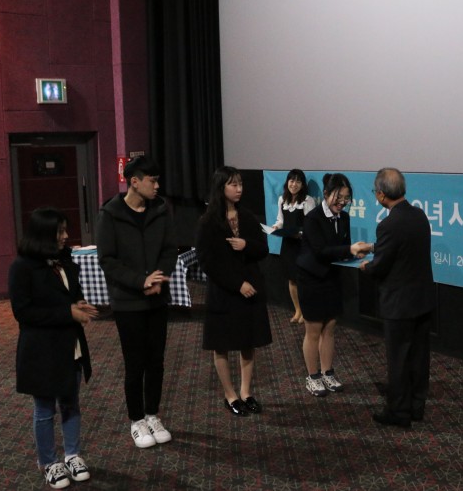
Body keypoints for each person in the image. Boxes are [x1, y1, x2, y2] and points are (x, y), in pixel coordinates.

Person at [8, 207, 98, 489]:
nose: (66, 236)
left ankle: (72, 455)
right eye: (60, 231)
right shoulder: (22, 267)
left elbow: (72, 293)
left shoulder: (65, 260)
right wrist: (68, 312)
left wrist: (79, 303)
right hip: (41, 350)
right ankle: (48, 461)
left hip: (70, 345)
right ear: (43, 234)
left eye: (65, 230)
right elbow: (24, 313)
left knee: (71, 402)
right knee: (45, 408)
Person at [96, 156, 178, 447]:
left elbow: (170, 250)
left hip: (157, 299)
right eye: (152, 181)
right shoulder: (110, 213)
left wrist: (158, 279)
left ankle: (153, 414)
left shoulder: (161, 209)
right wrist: (140, 281)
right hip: (128, 301)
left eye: (157, 181)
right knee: (135, 363)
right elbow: (107, 260)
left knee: (156, 361)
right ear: (134, 181)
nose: (157, 186)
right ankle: (137, 420)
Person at [359, 168, 436, 428]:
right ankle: (416, 406)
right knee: (419, 356)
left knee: (399, 359)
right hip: (422, 299)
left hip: (399, 304)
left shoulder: (388, 224)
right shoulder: (419, 215)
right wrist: (373, 248)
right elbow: (402, 248)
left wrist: (366, 267)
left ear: (381, 194)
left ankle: (399, 412)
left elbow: (381, 266)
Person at [196, 166, 272, 416]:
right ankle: (230, 395)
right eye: (233, 184)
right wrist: (237, 284)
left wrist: (246, 244)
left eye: (241, 184)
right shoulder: (208, 221)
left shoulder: (247, 217)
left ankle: (246, 392)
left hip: (250, 289)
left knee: (248, 341)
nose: (239, 189)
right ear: (221, 187)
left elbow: (263, 249)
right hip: (224, 292)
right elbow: (207, 262)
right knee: (222, 345)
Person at [297, 173, 371, 397]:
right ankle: (312, 377)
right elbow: (320, 251)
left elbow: (340, 249)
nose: (342, 202)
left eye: (346, 198)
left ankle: (327, 372)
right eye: (338, 197)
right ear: (326, 194)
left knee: (330, 328)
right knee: (313, 330)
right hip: (312, 279)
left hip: (332, 278)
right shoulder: (312, 218)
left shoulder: (344, 218)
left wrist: (355, 255)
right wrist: (348, 249)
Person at [270, 168, 317, 324]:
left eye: (298, 181)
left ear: (302, 185)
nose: (294, 184)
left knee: (302, 280)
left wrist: (301, 233)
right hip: (288, 244)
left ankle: (306, 311)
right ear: (287, 182)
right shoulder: (282, 199)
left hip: (302, 245)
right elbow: (280, 220)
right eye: (291, 180)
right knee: (291, 279)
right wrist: (276, 227)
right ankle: (297, 310)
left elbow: (311, 225)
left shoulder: (308, 201)